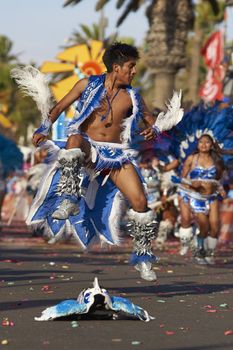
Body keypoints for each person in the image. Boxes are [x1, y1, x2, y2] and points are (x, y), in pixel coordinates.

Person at [12, 42, 183, 281]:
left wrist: (154, 129)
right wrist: (44, 126)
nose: (134, 72)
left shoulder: (133, 96)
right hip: (87, 147)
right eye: (131, 67)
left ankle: (143, 257)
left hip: (116, 154)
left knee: (141, 202)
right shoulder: (87, 84)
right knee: (73, 138)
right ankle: (69, 199)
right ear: (116, 67)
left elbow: (150, 120)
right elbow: (60, 106)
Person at [176, 134, 225, 264]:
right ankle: (198, 251)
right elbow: (181, 180)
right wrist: (191, 183)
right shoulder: (192, 159)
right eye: (201, 142)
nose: (204, 145)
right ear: (197, 145)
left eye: (207, 142)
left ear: (212, 145)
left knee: (215, 227)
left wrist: (221, 189)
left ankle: (209, 253)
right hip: (195, 196)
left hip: (211, 197)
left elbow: (218, 180)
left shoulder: (217, 160)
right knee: (204, 226)